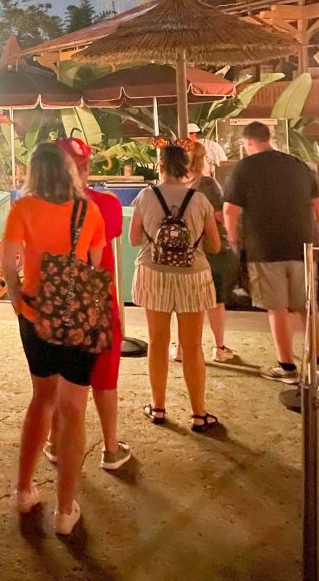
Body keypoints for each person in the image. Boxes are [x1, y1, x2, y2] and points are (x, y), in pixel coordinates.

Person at [1, 142, 106, 536]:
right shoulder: (89, 210)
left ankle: (24, 490)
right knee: (74, 410)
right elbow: (95, 263)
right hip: (79, 318)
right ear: (69, 171)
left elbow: (7, 260)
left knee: (42, 400)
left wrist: (17, 300)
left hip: (35, 314)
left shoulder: (23, 209)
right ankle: (65, 512)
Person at [44, 138, 130, 471]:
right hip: (97, 303)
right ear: (84, 168)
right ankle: (110, 448)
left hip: (55, 304)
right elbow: (114, 232)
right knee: (104, 379)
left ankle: (54, 442)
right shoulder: (106, 205)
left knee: (55, 379)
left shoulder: (37, 207)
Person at [223, 120, 319, 382]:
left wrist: (234, 240)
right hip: (302, 246)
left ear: (248, 142)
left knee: (277, 308)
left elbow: (230, 210)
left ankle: (287, 367)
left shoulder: (245, 168)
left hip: (264, 248)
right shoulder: (297, 165)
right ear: (269, 137)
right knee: (307, 306)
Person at [130, 142, 221, 432]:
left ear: (160, 167)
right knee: (192, 346)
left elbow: (133, 239)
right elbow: (215, 245)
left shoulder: (145, 196)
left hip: (153, 274)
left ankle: (157, 408)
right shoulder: (200, 200)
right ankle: (198, 414)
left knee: (157, 341)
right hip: (192, 276)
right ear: (186, 166)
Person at [171, 141, 238, 364]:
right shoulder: (207, 184)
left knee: (185, 301)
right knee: (215, 300)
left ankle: (180, 347)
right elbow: (220, 216)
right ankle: (218, 347)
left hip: (185, 250)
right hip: (211, 249)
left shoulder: (178, 184)